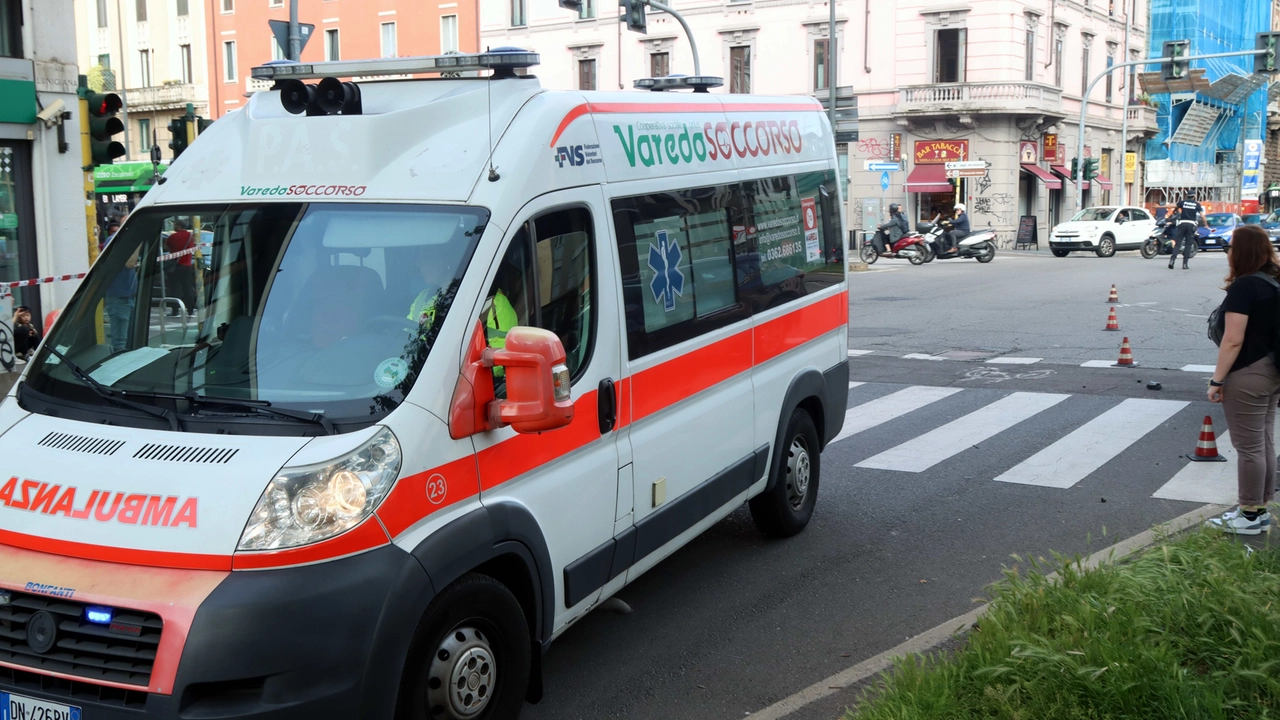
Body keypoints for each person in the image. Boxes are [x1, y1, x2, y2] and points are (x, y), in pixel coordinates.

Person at [1206, 225, 1280, 535]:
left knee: (1248, 447)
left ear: (1243, 252)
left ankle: (1249, 514)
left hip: (1247, 373)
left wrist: (1217, 380)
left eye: (1231, 247)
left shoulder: (1244, 287)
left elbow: (1232, 340)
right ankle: (1259, 510)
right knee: (1263, 442)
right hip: (1272, 369)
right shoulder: (1275, 283)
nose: (1228, 252)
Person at [103, 221, 138, 352]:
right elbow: (130, 263)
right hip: (119, 297)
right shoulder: (116, 241)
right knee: (120, 341)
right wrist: (137, 242)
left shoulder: (125, 241)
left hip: (128, 296)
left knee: (128, 339)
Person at [164, 219, 197, 315]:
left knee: (175, 288)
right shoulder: (191, 236)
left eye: (175, 225)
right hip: (188, 265)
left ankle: (175, 310)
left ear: (178, 226)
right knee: (188, 288)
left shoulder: (173, 236)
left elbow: (167, 247)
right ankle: (190, 310)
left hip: (176, 265)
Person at [1170, 195, 1202, 270]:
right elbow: (1202, 216)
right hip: (1191, 225)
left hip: (1182, 223)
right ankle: (1185, 264)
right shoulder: (1196, 204)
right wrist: (1206, 224)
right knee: (1188, 244)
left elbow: (1171, 205)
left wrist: (1159, 207)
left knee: (1177, 243)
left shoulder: (1183, 202)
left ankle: (1172, 261)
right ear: (1194, 196)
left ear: (1187, 196)